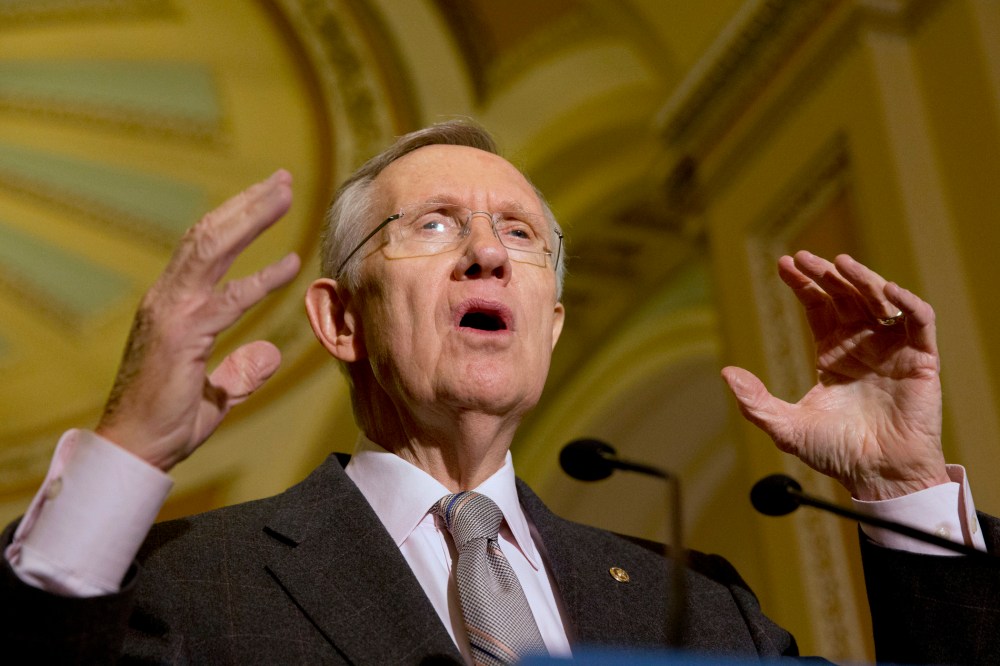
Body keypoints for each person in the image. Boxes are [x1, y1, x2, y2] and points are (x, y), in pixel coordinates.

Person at [0, 121, 995, 664]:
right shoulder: (188, 585)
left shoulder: (695, 609)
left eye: (520, 235)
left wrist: (900, 488)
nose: (486, 253)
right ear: (339, 320)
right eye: (432, 225)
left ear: (549, 324)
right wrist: (127, 449)